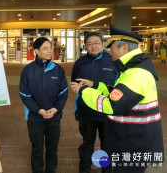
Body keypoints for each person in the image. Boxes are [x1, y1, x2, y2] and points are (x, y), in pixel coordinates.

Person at [71, 26, 164, 173]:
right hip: (130, 136)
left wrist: (83, 90)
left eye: (112, 47)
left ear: (124, 48)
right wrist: (94, 85)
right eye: (89, 43)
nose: (110, 51)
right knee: (88, 144)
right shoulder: (131, 68)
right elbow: (117, 92)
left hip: (133, 141)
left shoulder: (135, 74)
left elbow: (112, 104)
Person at [19, 37, 68, 173]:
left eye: (50, 47)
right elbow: (24, 95)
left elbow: (63, 93)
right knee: (37, 148)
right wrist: (38, 110)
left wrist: (55, 109)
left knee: (52, 149)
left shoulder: (58, 70)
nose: (49, 51)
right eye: (45, 48)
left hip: (54, 117)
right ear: (36, 51)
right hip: (35, 118)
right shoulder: (28, 70)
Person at [72, 31, 118, 173]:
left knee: (107, 145)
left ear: (103, 44)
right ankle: (85, 169)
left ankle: (107, 170)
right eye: (89, 44)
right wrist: (77, 109)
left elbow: (118, 87)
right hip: (87, 112)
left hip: (107, 113)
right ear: (85, 45)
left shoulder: (113, 61)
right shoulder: (80, 63)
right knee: (87, 144)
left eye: (97, 43)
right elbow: (75, 85)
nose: (93, 46)